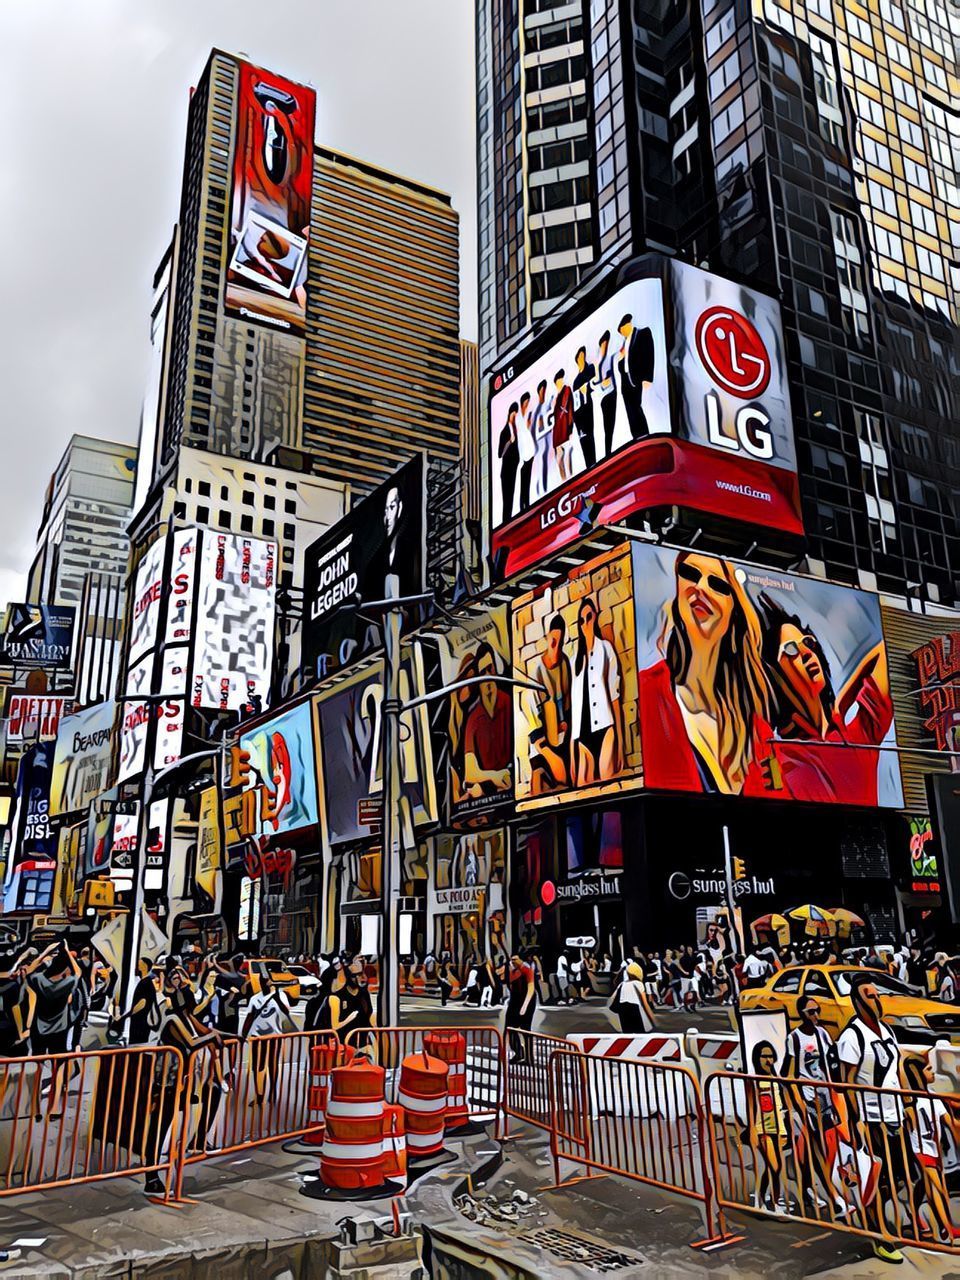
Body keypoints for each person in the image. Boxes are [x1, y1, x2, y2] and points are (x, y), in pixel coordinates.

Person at [638, 550, 774, 796]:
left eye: (718, 584)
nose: (700, 587)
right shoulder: (644, 694)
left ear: (735, 611)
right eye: (690, 574)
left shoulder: (758, 732)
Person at [757, 593, 894, 805]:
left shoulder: (857, 737)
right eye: (791, 649)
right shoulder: (777, 756)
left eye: (808, 642)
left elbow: (884, 653)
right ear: (774, 675)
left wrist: (842, 703)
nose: (806, 652)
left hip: (864, 833)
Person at [837, 975, 917, 1264]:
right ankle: (879, 1234)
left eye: (876, 994)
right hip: (871, 1119)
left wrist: (907, 1102)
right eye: (868, 995)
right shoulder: (852, 1036)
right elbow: (846, 1082)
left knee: (904, 1176)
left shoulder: (886, 1031)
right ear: (857, 1002)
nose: (876, 999)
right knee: (877, 1179)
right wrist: (855, 1120)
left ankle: (892, 1222)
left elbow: (898, 1069)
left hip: (895, 1114)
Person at [781, 993, 846, 1216]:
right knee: (817, 1147)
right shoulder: (795, 1038)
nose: (816, 1015)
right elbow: (787, 1072)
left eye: (817, 1010)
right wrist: (794, 1102)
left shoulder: (823, 1034)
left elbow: (832, 1062)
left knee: (822, 1148)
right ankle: (833, 1196)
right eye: (811, 1012)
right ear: (801, 1014)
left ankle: (810, 1188)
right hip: (807, 1101)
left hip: (825, 1098)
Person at [902, 1054, 960, 1243]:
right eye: (927, 1069)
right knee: (936, 1187)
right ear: (917, 1074)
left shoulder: (934, 1098)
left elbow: (950, 1122)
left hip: (934, 1148)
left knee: (923, 1185)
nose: (932, 1071)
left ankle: (913, 1215)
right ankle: (945, 1229)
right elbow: (908, 1125)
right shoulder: (911, 1101)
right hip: (920, 1149)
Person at [571, 596, 623, 786]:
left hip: (604, 728)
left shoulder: (606, 649)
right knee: (583, 793)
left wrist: (622, 744)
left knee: (608, 786)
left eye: (589, 617)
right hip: (582, 736)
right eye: (581, 620)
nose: (585, 623)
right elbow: (575, 710)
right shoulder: (574, 661)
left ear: (595, 618)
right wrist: (571, 753)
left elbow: (614, 696)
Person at [530, 614, 573, 795]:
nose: (556, 648)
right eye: (554, 641)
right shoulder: (537, 671)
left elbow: (568, 701)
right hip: (542, 743)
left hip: (562, 738)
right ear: (547, 638)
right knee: (540, 781)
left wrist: (565, 722)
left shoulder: (565, 664)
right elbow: (533, 723)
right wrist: (547, 750)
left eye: (560, 642)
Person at [462, 642, 512, 797]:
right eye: (483, 671)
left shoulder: (509, 703)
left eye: (490, 668)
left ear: (496, 670)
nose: (487, 676)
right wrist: (493, 776)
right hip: (489, 790)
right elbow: (470, 773)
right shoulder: (474, 718)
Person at [748, 1041, 791, 1212]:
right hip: (762, 1129)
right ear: (756, 1058)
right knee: (774, 1166)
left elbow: (783, 1106)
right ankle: (772, 1202)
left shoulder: (777, 1079)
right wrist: (752, 1129)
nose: (768, 1060)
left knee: (774, 1166)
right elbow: (751, 1107)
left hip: (779, 1128)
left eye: (771, 1056)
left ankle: (764, 1197)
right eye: (764, 1056)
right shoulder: (753, 1080)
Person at [242, 966, 293, 1109]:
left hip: (274, 1036)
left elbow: (286, 1011)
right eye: (262, 981)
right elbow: (249, 1017)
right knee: (258, 1067)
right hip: (257, 1037)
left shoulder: (280, 995)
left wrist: (276, 996)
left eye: (267, 981)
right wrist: (243, 1036)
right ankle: (259, 1095)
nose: (265, 983)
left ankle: (272, 1093)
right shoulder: (254, 998)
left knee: (272, 1065)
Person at [616, 313, 655, 440]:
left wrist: (648, 377)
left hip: (637, 378)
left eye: (622, 330)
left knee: (637, 406)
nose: (622, 333)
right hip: (625, 381)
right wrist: (620, 359)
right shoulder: (624, 344)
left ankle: (644, 434)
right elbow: (621, 366)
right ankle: (636, 436)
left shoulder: (642, 334)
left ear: (627, 325)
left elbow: (649, 354)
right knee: (630, 410)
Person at [330, 958, 375, 1047]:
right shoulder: (339, 996)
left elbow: (369, 1015)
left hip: (364, 1043)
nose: (358, 978)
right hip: (344, 1044)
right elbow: (334, 1025)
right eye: (354, 975)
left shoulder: (364, 994)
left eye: (360, 974)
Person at [504, 952, 538, 1064]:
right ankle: (519, 1053)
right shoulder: (511, 971)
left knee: (525, 1029)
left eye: (515, 959)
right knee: (509, 1028)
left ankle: (529, 1058)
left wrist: (525, 1005)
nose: (512, 962)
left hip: (526, 1001)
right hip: (515, 1001)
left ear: (521, 960)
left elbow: (531, 989)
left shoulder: (527, 970)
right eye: (511, 960)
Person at [0, 951, 33, 1057]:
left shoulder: (11, 985)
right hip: (10, 1031)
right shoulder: (13, 987)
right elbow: (16, 1009)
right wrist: (21, 1034)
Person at [593, 330, 618, 457]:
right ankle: (608, 452)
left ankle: (610, 450)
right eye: (603, 344)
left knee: (611, 425)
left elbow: (608, 380)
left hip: (612, 393)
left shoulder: (611, 357)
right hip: (605, 397)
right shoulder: (599, 363)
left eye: (606, 343)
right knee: (607, 426)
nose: (605, 346)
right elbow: (599, 383)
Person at [572, 345, 597, 471]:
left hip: (589, 407)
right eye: (580, 356)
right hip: (579, 413)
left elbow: (595, 382)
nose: (582, 358)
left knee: (590, 435)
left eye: (583, 355)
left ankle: (594, 463)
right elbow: (575, 402)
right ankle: (589, 465)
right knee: (583, 438)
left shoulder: (590, 369)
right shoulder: (575, 381)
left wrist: (586, 386)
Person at [497, 402, 520, 522]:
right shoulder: (505, 431)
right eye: (514, 414)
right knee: (507, 497)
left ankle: (508, 521)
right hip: (506, 469)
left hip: (513, 467)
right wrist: (509, 442)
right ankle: (505, 521)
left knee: (511, 496)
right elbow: (500, 454)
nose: (515, 416)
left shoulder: (515, 429)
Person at [551, 370, 575, 482]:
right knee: (559, 458)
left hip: (565, 429)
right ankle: (564, 481)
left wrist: (570, 429)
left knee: (568, 456)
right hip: (557, 432)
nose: (560, 383)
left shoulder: (566, 390)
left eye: (560, 380)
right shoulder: (556, 398)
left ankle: (571, 478)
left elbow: (568, 409)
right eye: (558, 382)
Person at [530, 378, 552, 499]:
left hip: (548, 440)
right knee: (541, 465)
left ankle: (545, 489)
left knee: (546, 465)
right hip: (540, 443)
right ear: (539, 392)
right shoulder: (537, 410)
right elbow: (534, 427)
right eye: (542, 390)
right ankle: (541, 491)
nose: (543, 393)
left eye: (545, 390)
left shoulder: (547, 404)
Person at [611, 961, 648, 1032]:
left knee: (627, 1033)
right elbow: (645, 1003)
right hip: (634, 1008)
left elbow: (613, 997)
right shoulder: (639, 984)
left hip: (622, 1008)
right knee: (639, 1032)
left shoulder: (622, 984)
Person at [516, 391, 535, 511]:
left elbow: (526, 432)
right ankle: (523, 504)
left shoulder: (524, 417)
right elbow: (521, 435)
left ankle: (526, 503)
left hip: (530, 451)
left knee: (527, 480)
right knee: (524, 479)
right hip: (524, 454)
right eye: (526, 402)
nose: (527, 404)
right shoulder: (518, 417)